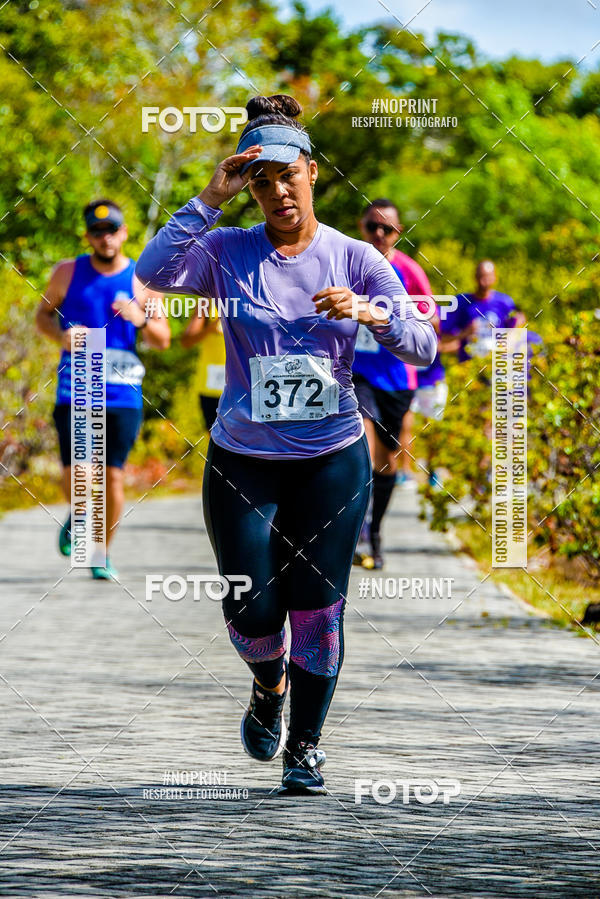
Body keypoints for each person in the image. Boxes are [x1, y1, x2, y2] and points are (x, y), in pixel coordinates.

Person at [136, 94, 436, 794]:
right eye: (259, 179)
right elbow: (152, 273)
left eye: (286, 175)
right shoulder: (224, 249)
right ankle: (267, 684)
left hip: (332, 460)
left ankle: (305, 745)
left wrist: (370, 311)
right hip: (244, 460)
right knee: (250, 604)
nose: (275, 191)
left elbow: (421, 343)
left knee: (318, 606)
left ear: (312, 172)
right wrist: (212, 194)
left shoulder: (356, 256)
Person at [36, 199, 170, 579]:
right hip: (76, 387)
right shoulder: (67, 272)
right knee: (77, 471)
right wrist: (61, 335)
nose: (106, 238)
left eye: (112, 230)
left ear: (124, 233)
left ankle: (102, 552)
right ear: (88, 237)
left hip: (123, 392)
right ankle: (79, 513)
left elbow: (163, 339)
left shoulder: (144, 281)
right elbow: (42, 315)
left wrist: (139, 319)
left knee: (111, 475)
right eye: (98, 232)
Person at [352, 198, 433, 569]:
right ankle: (352, 532)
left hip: (399, 379)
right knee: (362, 450)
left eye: (387, 229)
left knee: (387, 463)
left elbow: (433, 326)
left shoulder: (411, 272)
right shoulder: (348, 263)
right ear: (362, 227)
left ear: (399, 232)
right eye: (373, 227)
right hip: (355, 374)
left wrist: (388, 320)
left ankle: (376, 530)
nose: (380, 235)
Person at [446, 260, 525, 360]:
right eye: (481, 277)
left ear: (495, 278)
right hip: (468, 367)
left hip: (497, 366)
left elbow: (518, 324)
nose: (484, 282)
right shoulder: (461, 302)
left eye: (488, 277)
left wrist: (513, 332)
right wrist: (465, 333)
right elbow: (444, 337)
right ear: (475, 277)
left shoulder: (505, 302)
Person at [181, 301, 226, 432]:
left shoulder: (249, 296)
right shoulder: (207, 300)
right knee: (215, 439)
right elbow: (187, 341)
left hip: (241, 386)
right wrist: (210, 328)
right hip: (211, 387)